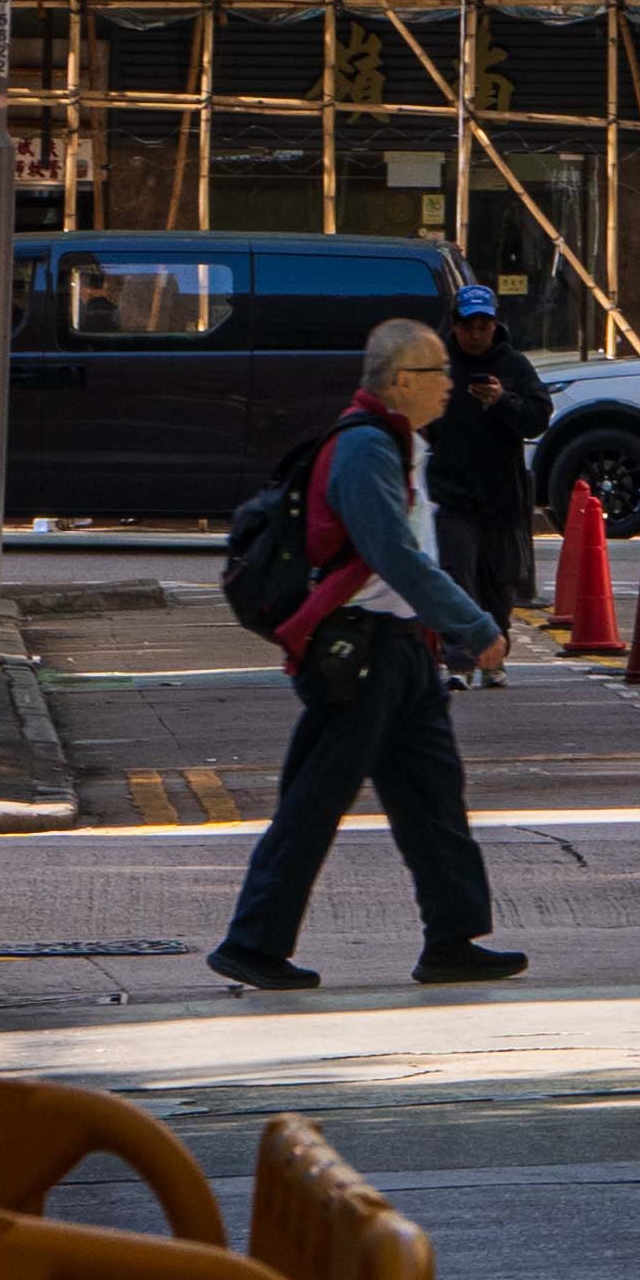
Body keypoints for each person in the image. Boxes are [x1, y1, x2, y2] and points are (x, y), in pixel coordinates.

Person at [208, 319, 530, 1000]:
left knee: (434, 802)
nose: (451, 384)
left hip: (404, 651)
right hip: (359, 653)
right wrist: (473, 626)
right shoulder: (363, 448)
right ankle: (252, 943)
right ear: (402, 380)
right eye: (439, 371)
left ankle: (454, 939)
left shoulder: (399, 441)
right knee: (314, 801)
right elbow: (393, 554)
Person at [423, 280, 551, 629]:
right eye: (468, 326)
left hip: (501, 496)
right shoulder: (438, 364)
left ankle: (495, 650)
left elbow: (538, 418)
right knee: (457, 577)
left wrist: (503, 401)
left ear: (495, 325)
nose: (476, 335)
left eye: (484, 326)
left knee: (499, 584)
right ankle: (461, 657)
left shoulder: (514, 365)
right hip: (451, 495)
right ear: (454, 325)